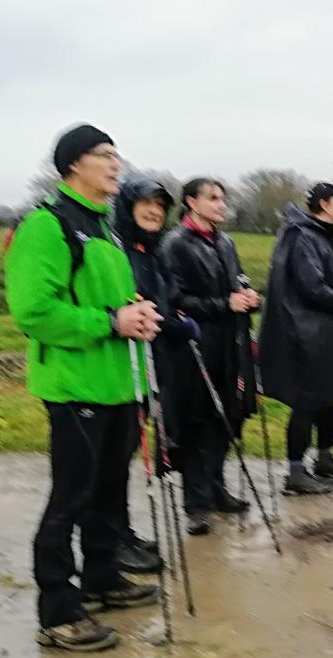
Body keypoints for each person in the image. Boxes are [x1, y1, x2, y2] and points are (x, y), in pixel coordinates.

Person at [5, 123, 161, 651]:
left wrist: (138, 313)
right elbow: (34, 311)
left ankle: (101, 577)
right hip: (74, 387)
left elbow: (114, 301)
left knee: (108, 492)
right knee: (70, 497)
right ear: (73, 164)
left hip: (117, 385)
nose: (116, 164)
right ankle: (58, 610)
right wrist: (112, 322)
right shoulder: (46, 226)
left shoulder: (106, 228)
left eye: (118, 155)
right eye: (105, 156)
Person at [259, 183, 333, 492]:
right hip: (308, 335)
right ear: (324, 204)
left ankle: (325, 458)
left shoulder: (322, 236)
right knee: (308, 401)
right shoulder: (302, 236)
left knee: (332, 396)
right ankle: (295, 472)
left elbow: (327, 285)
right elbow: (312, 288)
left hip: (331, 334)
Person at [160, 178, 257, 536]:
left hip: (230, 344)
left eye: (223, 198)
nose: (220, 205)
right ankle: (195, 504)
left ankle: (216, 488)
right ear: (191, 202)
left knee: (226, 418)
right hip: (194, 348)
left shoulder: (225, 241)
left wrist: (246, 297)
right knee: (197, 422)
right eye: (212, 198)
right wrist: (223, 304)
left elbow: (235, 283)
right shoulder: (175, 245)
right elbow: (176, 301)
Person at [113, 177, 188, 574]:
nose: (154, 210)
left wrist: (179, 321)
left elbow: (167, 300)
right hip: (122, 363)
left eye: (160, 204)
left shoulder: (155, 251)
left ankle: (122, 533)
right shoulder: (117, 248)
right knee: (117, 457)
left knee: (128, 449)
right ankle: (113, 539)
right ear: (128, 206)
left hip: (153, 361)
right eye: (145, 203)